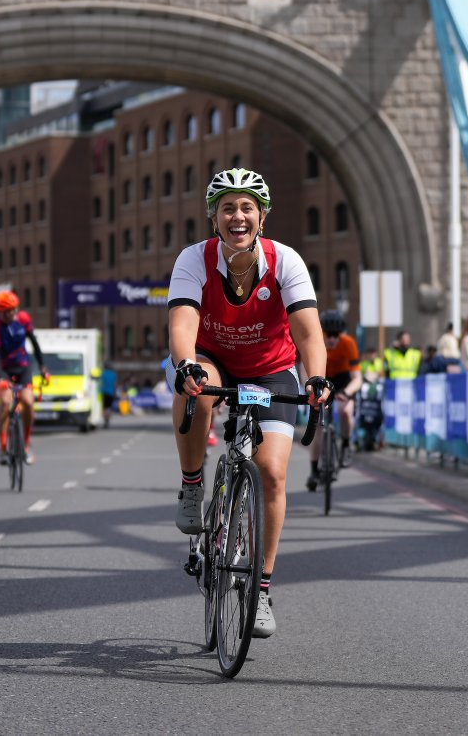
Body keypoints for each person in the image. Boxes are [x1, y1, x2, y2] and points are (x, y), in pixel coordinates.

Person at [167, 167, 330, 639]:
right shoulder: (194, 259)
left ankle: (259, 590)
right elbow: (183, 323)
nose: (237, 216)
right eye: (227, 208)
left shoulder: (287, 262)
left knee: (273, 473)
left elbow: (307, 332)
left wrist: (316, 376)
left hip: (269, 368)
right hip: (211, 358)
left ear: (261, 217)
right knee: (196, 391)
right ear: (213, 217)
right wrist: (185, 364)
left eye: (246, 208)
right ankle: (193, 484)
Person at [0, 289, 49, 466]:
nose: (10, 314)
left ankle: (27, 444)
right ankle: (3, 447)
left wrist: (42, 366)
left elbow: (34, 343)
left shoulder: (23, 319)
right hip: (3, 369)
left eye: (13, 310)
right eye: (6, 312)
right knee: (5, 402)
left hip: (22, 367)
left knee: (28, 402)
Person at [306, 309, 362, 490]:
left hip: (343, 380)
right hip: (322, 379)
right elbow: (303, 368)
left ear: (340, 334)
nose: (331, 339)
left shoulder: (349, 344)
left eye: (335, 335)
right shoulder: (317, 341)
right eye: (328, 334)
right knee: (318, 427)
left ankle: (346, 446)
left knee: (345, 411)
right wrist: (309, 389)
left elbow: (357, 377)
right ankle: (314, 471)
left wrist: (347, 392)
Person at [99, 361, 117, 429]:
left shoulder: (103, 373)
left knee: (104, 407)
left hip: (103, 392)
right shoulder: (113, 374)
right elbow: (114, 384)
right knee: (109, 407)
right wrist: (115, 392)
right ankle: (107, 420)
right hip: (111, 392)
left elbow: (100, 382)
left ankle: (105, 420)